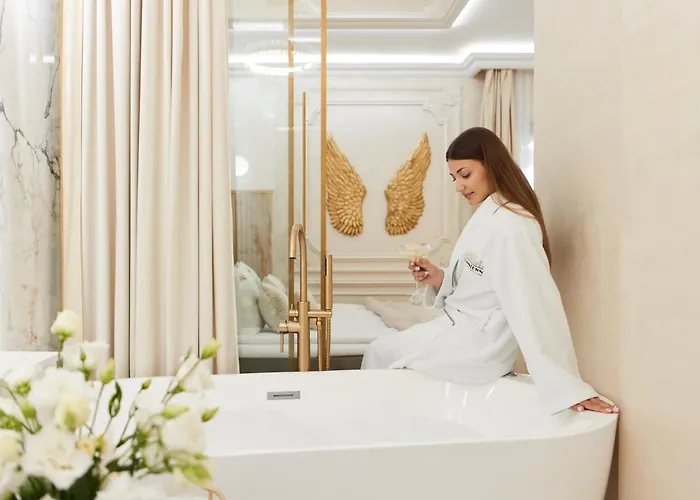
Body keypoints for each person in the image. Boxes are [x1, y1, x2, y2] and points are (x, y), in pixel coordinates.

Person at [361, 127, 619, 416]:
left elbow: (532, 306)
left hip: (479, 344)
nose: (459, 186)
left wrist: (566, 386)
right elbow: (482, 282)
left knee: (381, 353)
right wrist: (441, 278)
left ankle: (385, 429)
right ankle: (390, 428)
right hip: (462, 328)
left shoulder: (512, 227)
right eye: (454, 178)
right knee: (380, 351)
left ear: (491, 165)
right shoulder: (491, 212)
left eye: (465, 174)